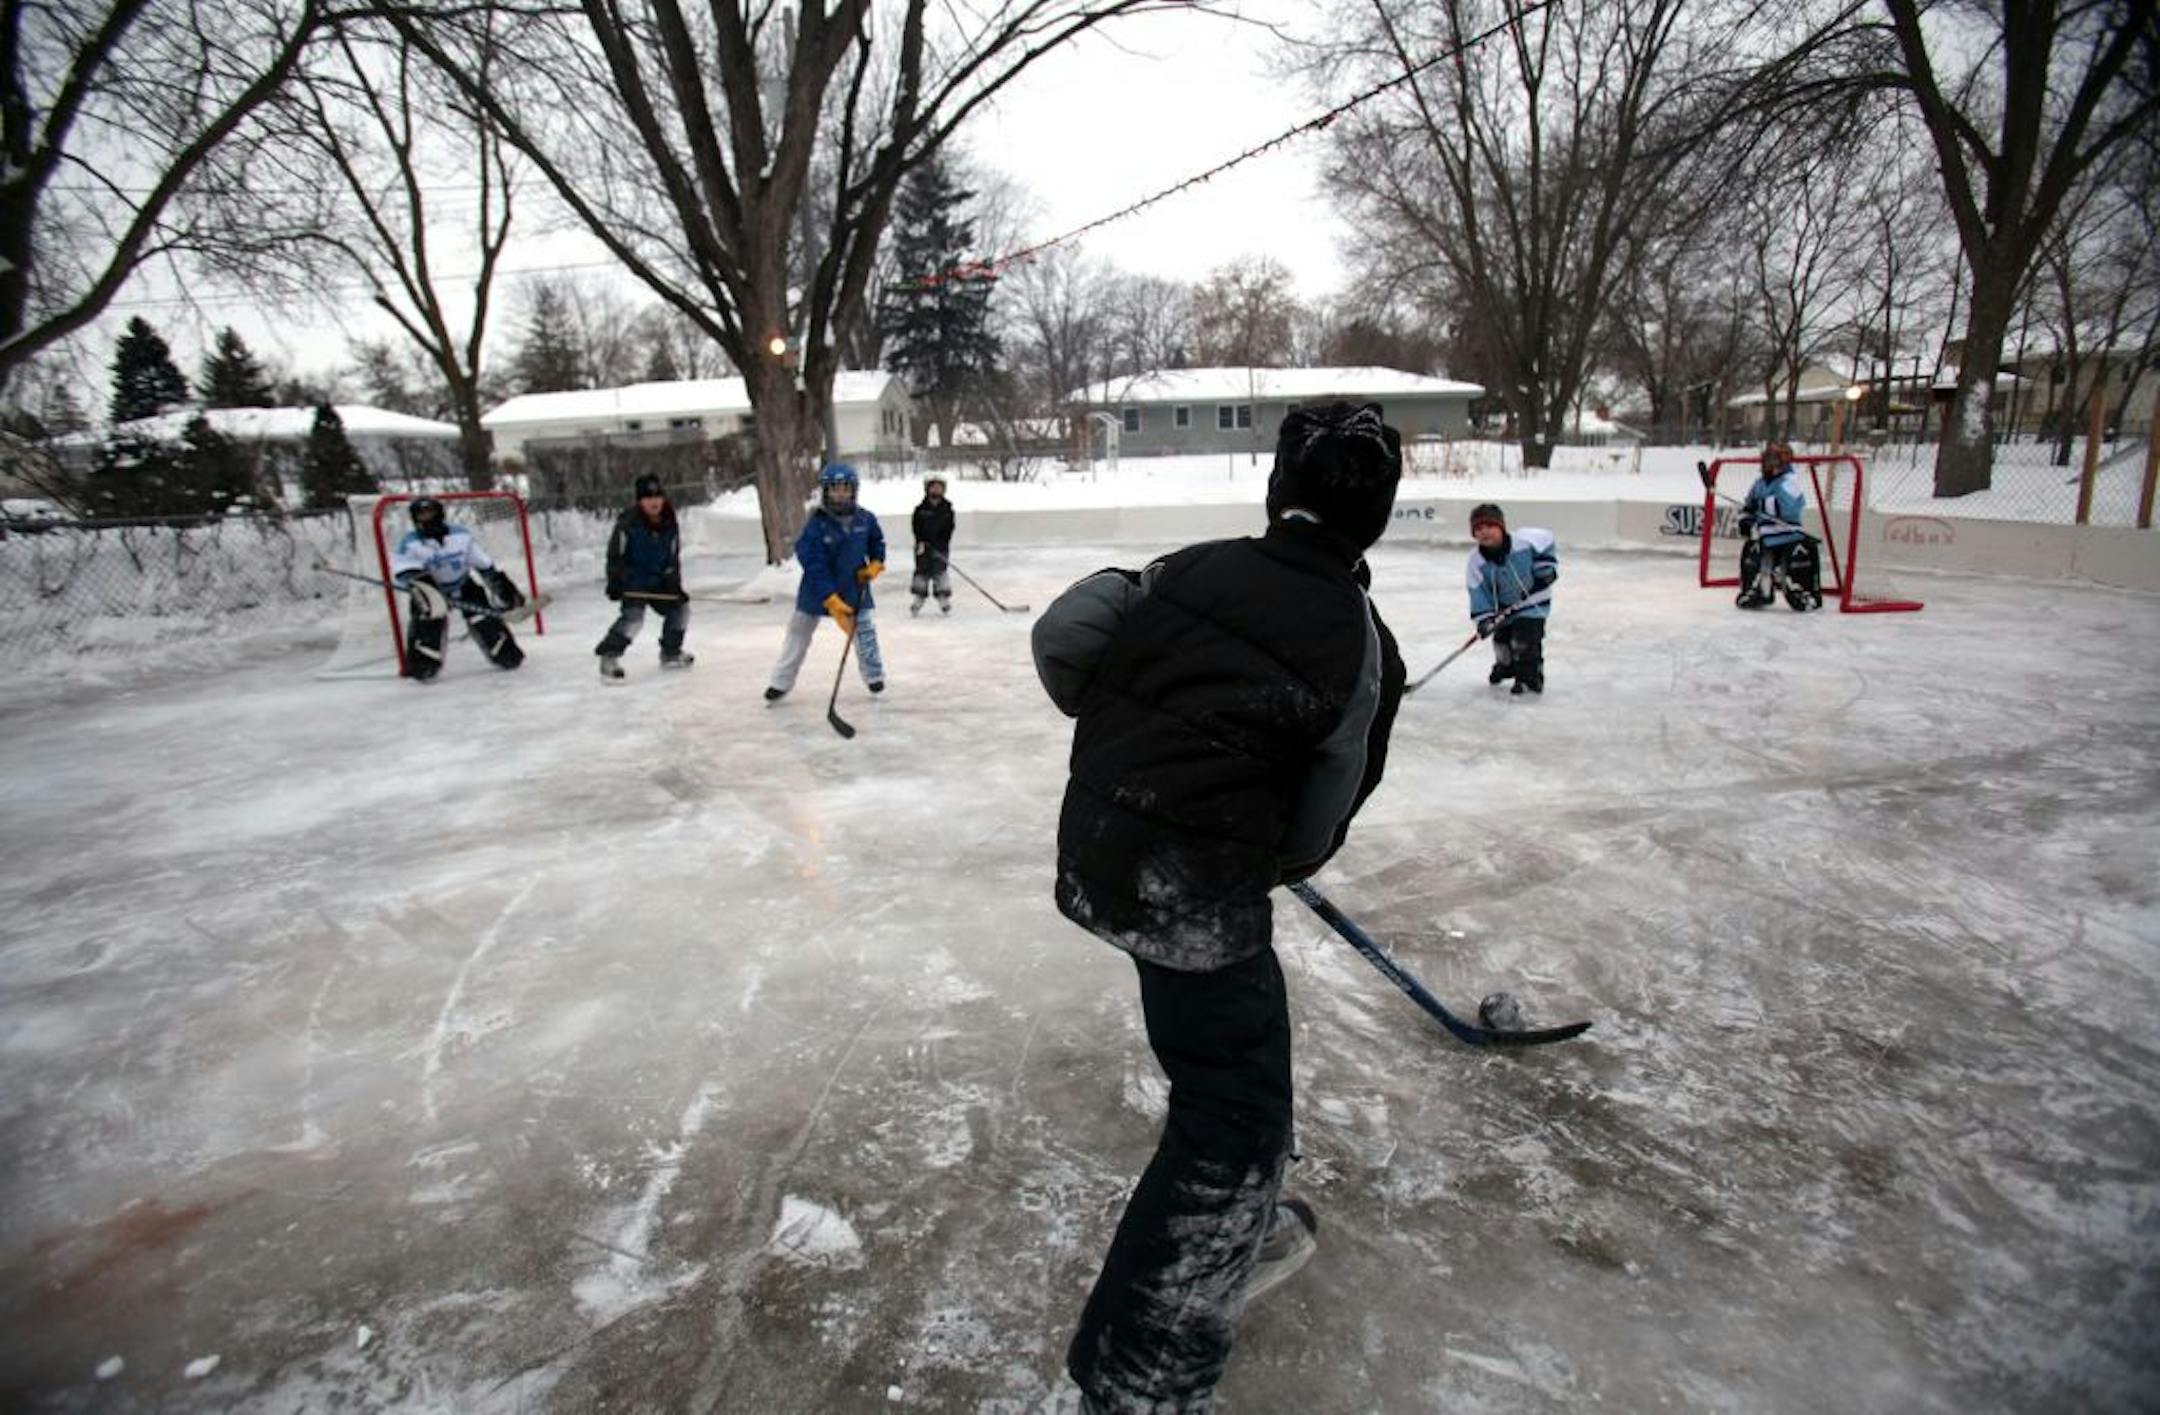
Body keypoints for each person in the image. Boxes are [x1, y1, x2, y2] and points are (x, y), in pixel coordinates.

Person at [1030, 401, 1407, 1414]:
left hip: (1097, 853)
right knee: (1236, 1120)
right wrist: (1271, 854)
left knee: (1219, 1064)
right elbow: (1323, 811)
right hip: (1193, 898)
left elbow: (1067, 631)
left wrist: (1125, 729)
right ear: (1376, 515)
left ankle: (1231, 1229)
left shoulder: (1182, 567)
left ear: (1278, 492)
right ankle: (1140, 1371)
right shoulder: (1363, 641)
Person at [764, 463, 886, 701]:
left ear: (854, 491)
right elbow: (813, 565)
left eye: (845, 488)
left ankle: (874, 676)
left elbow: (876, 543)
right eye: (835, 489)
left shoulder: (865, 519)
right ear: (826, 491)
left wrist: (875, 564)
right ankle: (781, 681)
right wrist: (829, 598)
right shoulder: (816, 524)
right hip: (817, 592)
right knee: (798, 633)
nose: (840, 494)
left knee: (865, 633)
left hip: (854, 587)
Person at [390, 495, 526, 681]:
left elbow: (482, 563)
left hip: (462, 584)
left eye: (430, 512)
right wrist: (423, 584)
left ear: (440, 513)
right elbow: (403, 569)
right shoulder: (410, 542)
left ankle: (505, 653)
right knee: (427, 623)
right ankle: (423, 664)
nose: (427, 517)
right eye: (421, 514)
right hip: (430, 590)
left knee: (484, 617)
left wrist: (501, 586)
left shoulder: (460, 535)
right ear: (415, 518)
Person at [596, 474, 692, 681]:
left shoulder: (669, 521)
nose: (654, 502)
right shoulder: (628, 523)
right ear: (640, 500)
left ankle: (671, 652)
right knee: (634, 620)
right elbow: (615, 555)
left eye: (658, 496)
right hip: (634, 582)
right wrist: (615, 581)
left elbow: (673, 556)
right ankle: (609, 657)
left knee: (681, 609)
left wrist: (674, 584)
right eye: (648, 498)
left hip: (659, 582)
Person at [1465, 503, 1557, 695]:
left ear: (1501, 526)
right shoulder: (1476, 561)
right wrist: (1484, 618)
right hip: (1504, 608)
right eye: (1479, 529)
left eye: (1489, 526)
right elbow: (1477, 591)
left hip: (1533, 603)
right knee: (1501, 642)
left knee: (1525, 641)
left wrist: (1545, 569)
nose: (1484, 532)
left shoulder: (1524, 541)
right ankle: (1506, 667)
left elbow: (1546, 539)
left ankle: (1530, 679)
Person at [1737, 441, 1821, 611]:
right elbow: (1749, 505)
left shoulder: (1790, 481)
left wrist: (1759, 505)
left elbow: (1788, 509)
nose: (1769, 463)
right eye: (1767, 459)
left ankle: (1802, 592)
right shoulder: (1759, 483)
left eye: (1773, 459)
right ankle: (1760, 590)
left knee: (1792, 568)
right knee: (1754, 556)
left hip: (1788, 535)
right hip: (1766, 536)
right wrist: (1747, 519)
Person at [910, 476, 955, 616]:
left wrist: (941, 543)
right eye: (933, 486)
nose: (936, 489)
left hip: (940, 547)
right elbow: (916, 527)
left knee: (940, 572)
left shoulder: (947, 509)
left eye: (939, 487)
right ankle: (919, 597)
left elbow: (949, 528)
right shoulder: (920, 509)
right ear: (927, 489)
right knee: (922, 572)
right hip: (923, 547)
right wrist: (921, 541)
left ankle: (943, 598)